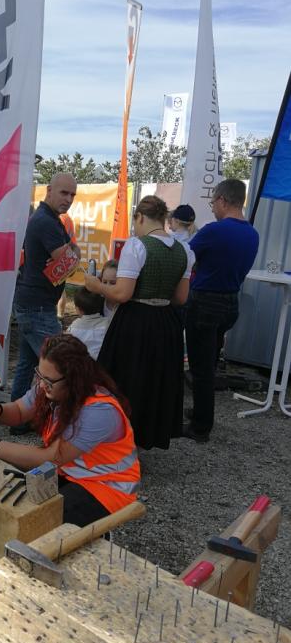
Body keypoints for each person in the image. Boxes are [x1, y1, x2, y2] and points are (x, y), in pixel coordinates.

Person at [0, 334, 140, 526]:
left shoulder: (99, 411)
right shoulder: (51, 385)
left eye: (48, 380)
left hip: (106, 487)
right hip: (68, 474)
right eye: (39, 375)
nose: (41, 384)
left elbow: (51, 457)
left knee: (36, 523)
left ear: (73, 379)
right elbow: (20, 411)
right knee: (20, 511)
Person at [85, 195, 195, 450]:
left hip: (135, 322)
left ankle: (116, 439)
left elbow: (122, 293)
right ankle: (144, 437)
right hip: (166, 323)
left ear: (141, 217)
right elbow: (180, 298)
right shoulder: (184, 251)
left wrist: (96, 285)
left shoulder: (137, 246)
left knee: (126, 380)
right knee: (154, 382)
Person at [183, 179, 259, 443]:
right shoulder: (252, 233)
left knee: (200, 368)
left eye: (213, 201)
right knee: (210, 362)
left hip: (205, 302)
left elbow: (185, 256)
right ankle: (202, 411)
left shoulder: (213, 231)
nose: (213, 207)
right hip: (230, 303)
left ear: (223, 200)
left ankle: (201, 427)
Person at [11, 173, 80, 431]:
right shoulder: (46, 222)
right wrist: (71, 254)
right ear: (49, 190)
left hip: (35, 303)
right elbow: (70, 264)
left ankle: (17, 420)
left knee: (28, 364)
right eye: (64, 193)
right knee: (61, 365)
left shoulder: (49, 219)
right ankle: (54, 423)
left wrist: (69, 255)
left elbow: (68, 260)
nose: (69, 199)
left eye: (72, 195)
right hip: (37, 306)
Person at [68, 287, 110, 359]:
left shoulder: (73, 327)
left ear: (78, 309)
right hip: (102, 363)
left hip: (82, 364)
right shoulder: (108, 324)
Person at [56, 212, 78, 320]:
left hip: (59, 254)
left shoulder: (59, 218)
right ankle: (60, 315)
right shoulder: (68, 218)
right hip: (68, 253)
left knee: (59, 288)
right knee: (62, 287)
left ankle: (59, 315)